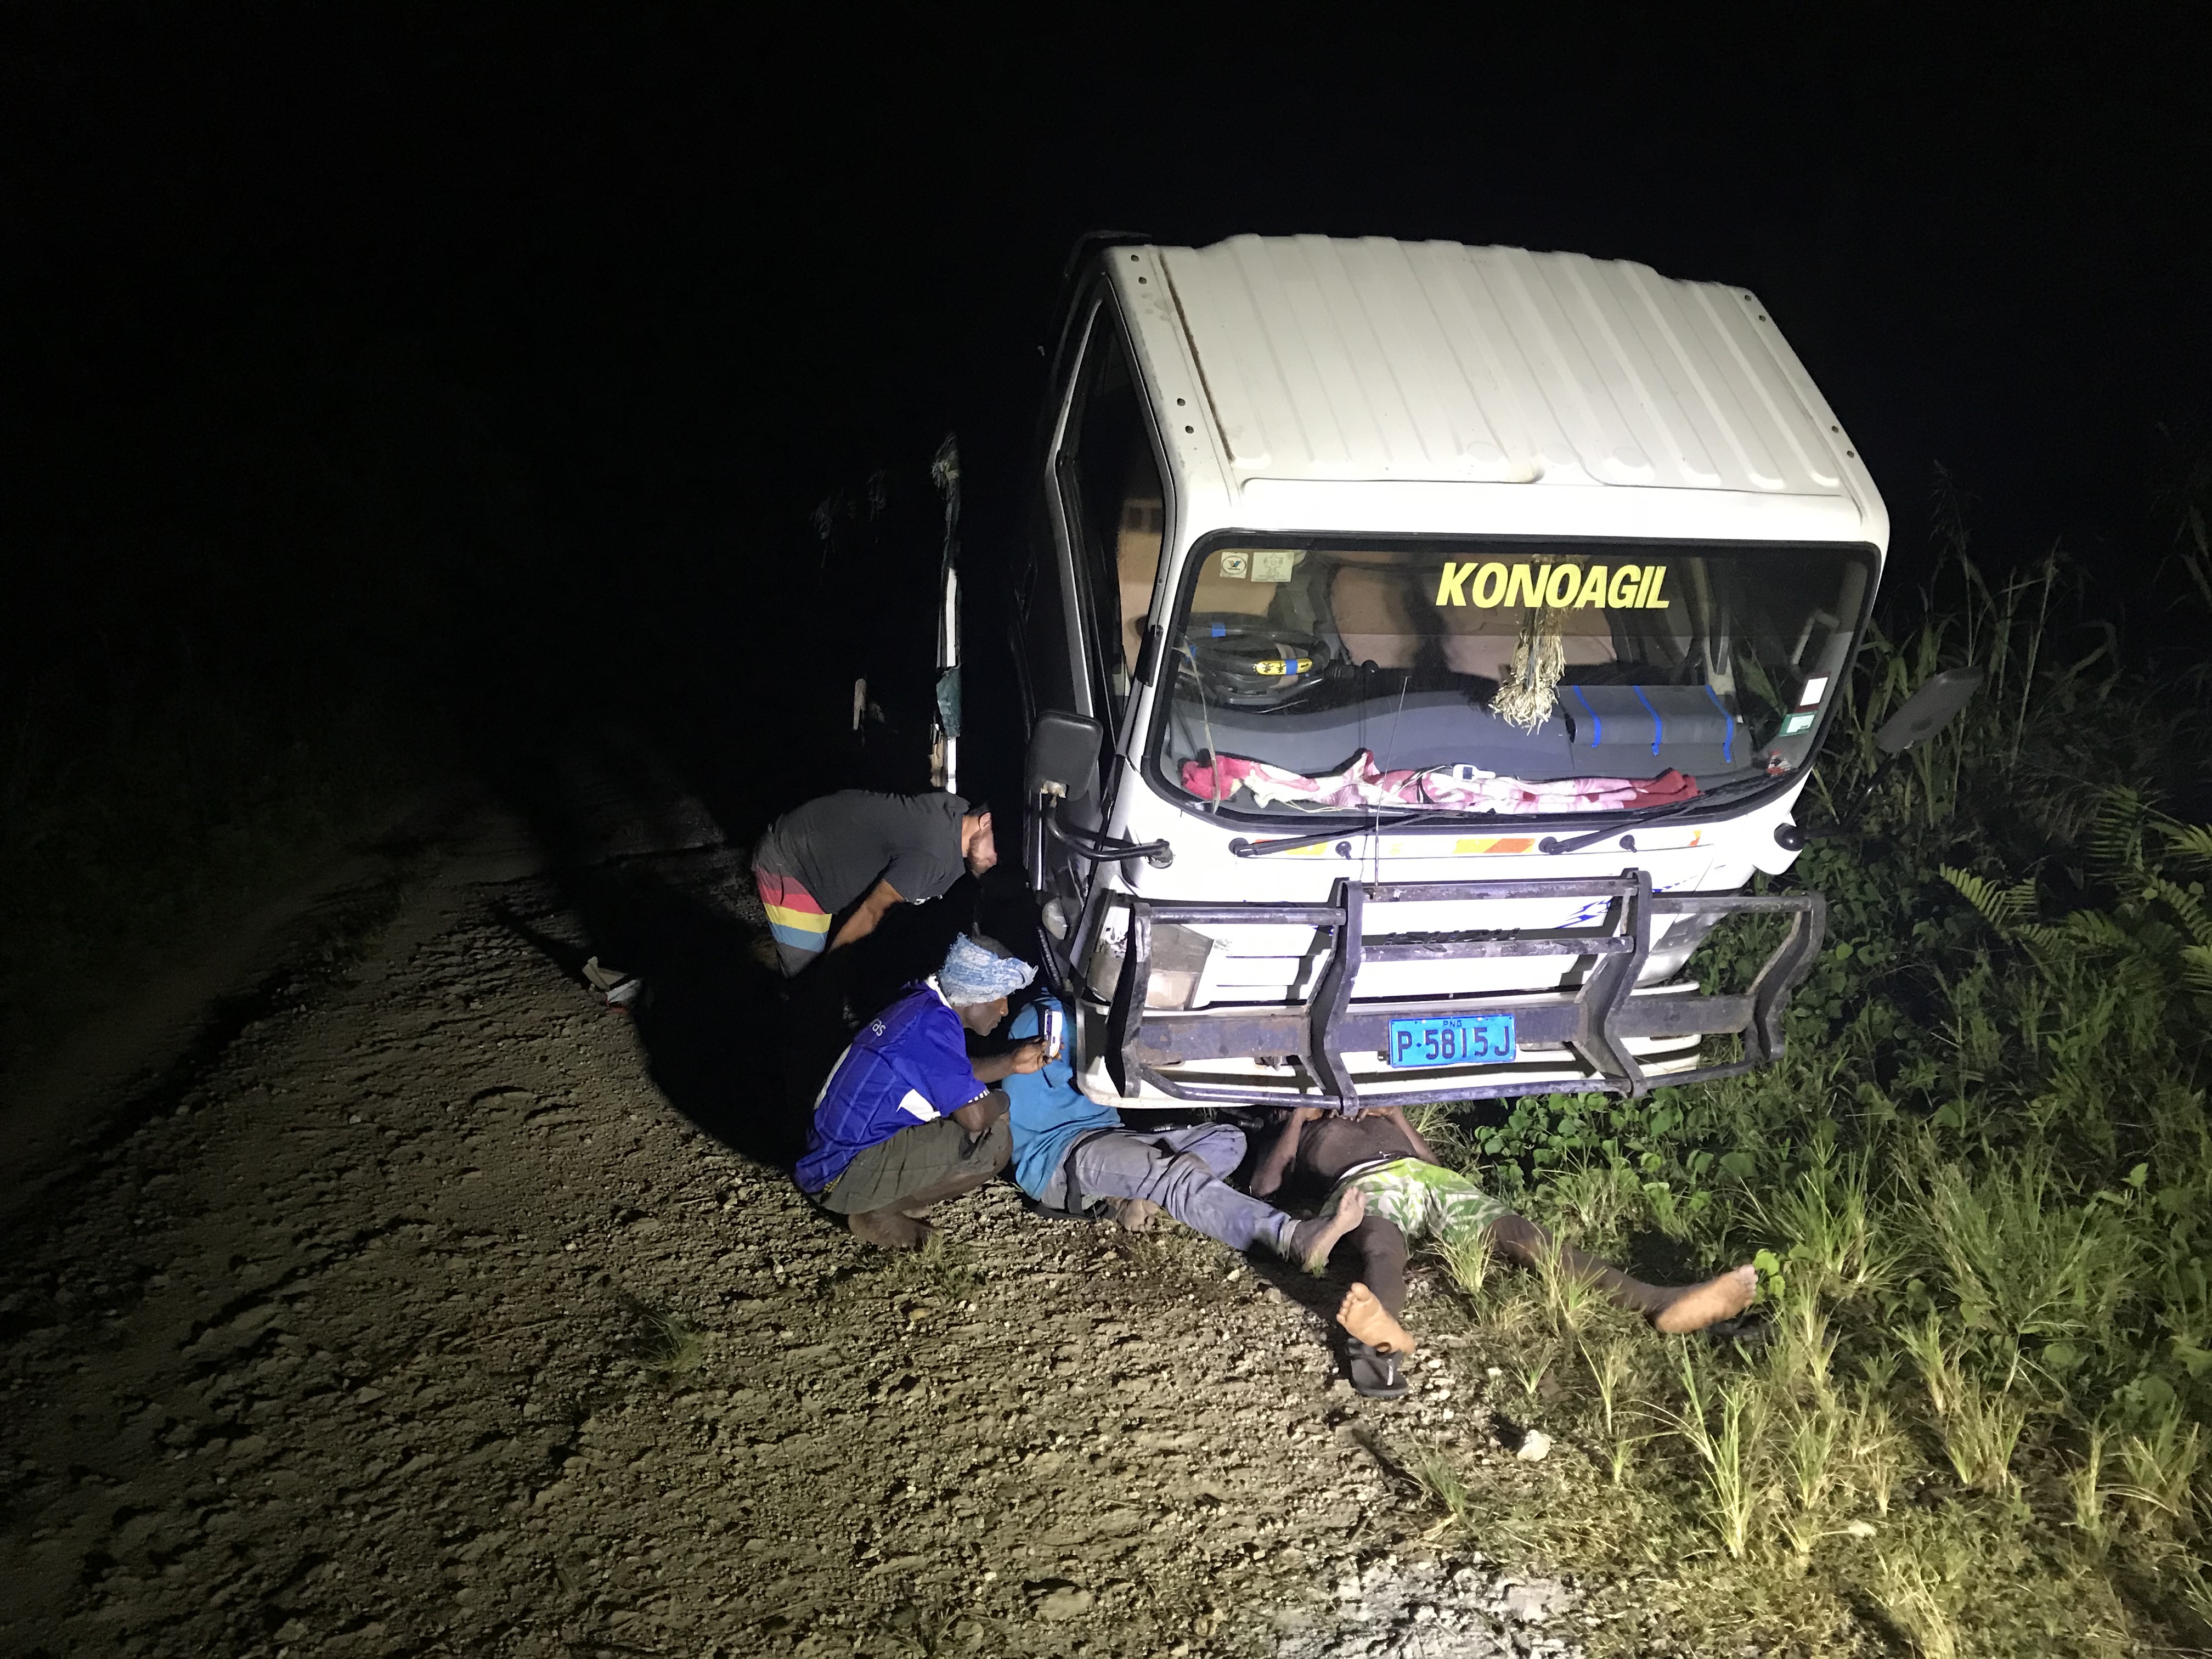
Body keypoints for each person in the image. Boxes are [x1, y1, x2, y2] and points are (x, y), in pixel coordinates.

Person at [1249, 1103, 1757, 1398]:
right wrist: (1297, 1118)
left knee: (1523, 1234)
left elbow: (1435, 1162)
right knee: (1383, 1247)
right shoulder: (1303, 1126)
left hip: (1435, 1181)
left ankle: (1659, 1301)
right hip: (1367, 1183)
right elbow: (1265, 1186)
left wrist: (1396, 1116)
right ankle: (1382, 1338)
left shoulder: (1373, 1110)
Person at [997, 986, 1368, 1272]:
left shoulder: (1090, 1010)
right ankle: (1289, 1238)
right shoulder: (1048, 1020)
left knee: (1229, 1140)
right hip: (1057, 1155)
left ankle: (1143, 1197)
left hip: (1104, 1135)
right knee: (1176, 1172)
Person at [795, 935, 1043, 1248]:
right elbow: (977, 1118)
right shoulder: (934, 1028)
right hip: (840, 1172)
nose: (1005, 1010)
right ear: (976, 995)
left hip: (824, 1154)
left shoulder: (922, 1003)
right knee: (993, 1140)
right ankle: (875, 1211)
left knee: (966, 1112)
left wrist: (1011, 1063)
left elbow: (949, 1071)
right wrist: (1003, 1100)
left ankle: (879, 1193)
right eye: (1001, 998)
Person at [753, 789, 997, 976]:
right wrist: (828, 986)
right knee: (807, 981)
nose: (996, 860)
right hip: (795, 864)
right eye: (998, 846)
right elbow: (873, 910)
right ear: (985, 821)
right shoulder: (935, 853)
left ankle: (775, 945)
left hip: (825, 865)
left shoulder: (955, 814)